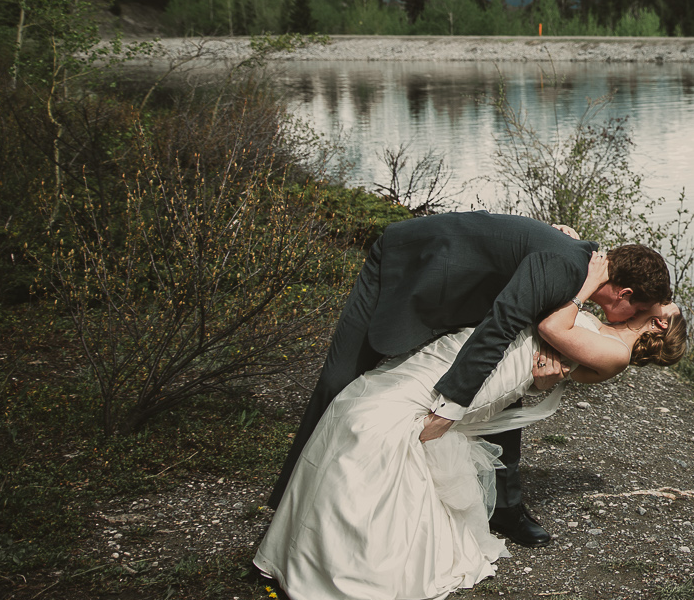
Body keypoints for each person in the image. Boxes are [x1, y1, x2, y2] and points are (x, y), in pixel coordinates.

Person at [254, 273, 683, 600]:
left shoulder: (616, 354)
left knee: (375, 424)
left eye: (667, 301)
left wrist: (588, 280)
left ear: (661, 322)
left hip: (493, 374)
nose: (663, 296)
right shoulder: (608, 329)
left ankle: (356, 562)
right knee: (363, 408)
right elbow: (552, 351)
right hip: (488, 352)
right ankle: (325, 546)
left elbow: (554, 328)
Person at [269, 212, 673, 547]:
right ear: (623, 293)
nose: (635, 320)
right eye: (640, 310)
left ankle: (505, 508)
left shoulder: (579, 264)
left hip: (469, 296)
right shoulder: (568, 271)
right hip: (412, 267)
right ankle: (289, 502)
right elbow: (499, 328)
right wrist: (450, 405)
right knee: (339, 380)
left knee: (505, 394)